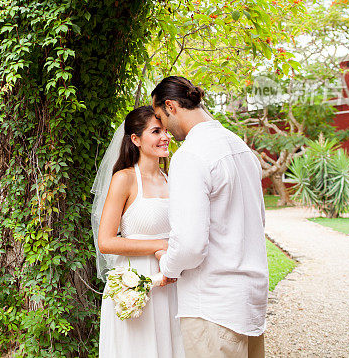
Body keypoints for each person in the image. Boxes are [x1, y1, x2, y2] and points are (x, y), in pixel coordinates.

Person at [151, 76, 268, 358]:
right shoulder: (240, 146)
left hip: (213, 304)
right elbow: (259, 219)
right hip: (251, 299)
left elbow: (190, 244)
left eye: (159, 117)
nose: (163, 128)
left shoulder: (191, 155)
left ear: (170, 106)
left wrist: (167, 267)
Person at [91, 106, 185, 358]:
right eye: (156, 131)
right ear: (135, 139)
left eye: (166, 130)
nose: (165, 137)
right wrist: (163, 245)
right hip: (135, 283)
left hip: (171, 283)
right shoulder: (124, 179)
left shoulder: (172, 179)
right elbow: (106, 242)